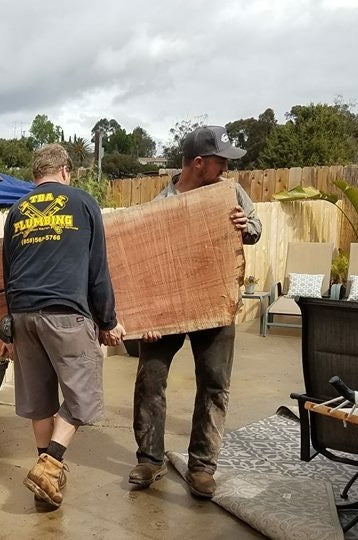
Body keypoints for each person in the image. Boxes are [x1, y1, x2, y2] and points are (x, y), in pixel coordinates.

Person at [129, 125, 261, 499]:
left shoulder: (230, 192)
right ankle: (150, 460)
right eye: (220, 161)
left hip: (215, 307)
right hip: (167, 310)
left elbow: (255, 228)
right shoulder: (160, 206)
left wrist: (245, 225)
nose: (225, 168)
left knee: (214, 385)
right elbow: (143, 269)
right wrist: (147, 318)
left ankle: (202, 467)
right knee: (150, 381)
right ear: (199, 162)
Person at [1, 144, 126, 508]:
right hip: (66, 314)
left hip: (23, 315)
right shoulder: (84, 203)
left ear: (35, 175)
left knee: (39, 400)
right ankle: (50, 463)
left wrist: (10, 326)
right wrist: (108, 321)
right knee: (83, 396)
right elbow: (97, 270)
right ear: (66, 171)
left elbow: (7, 273)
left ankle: (47, 480)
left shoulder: (16, 211)